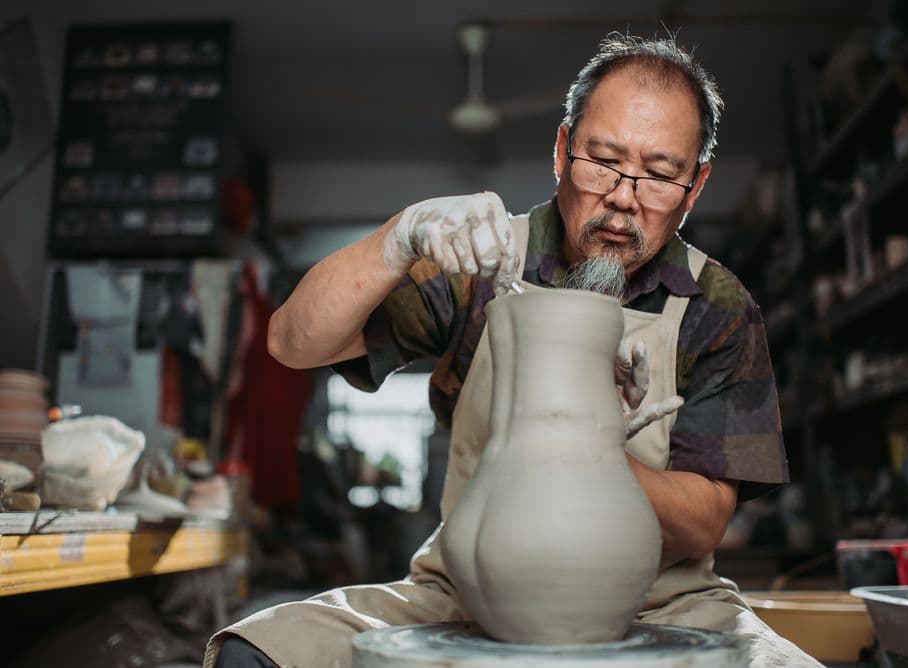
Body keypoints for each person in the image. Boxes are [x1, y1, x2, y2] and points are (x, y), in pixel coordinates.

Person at [206, 33, 820, 668]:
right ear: (561, 150)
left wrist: (591, 444)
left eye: (661, 176)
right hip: (466, 589)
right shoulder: (482, 260)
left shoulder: (717, 304)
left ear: (695, 187)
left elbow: (703, 524)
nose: (623, 197)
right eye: (602, 160)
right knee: (255, 655)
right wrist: (398, 239)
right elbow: (290, 343)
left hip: (663, 601)